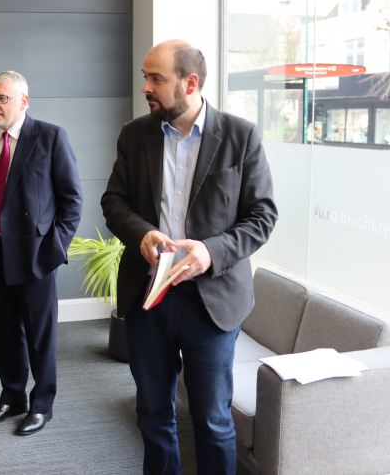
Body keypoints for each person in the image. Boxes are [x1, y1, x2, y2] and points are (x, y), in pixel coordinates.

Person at [101, 40, 278, 474]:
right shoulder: (135, 134)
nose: (146, 86)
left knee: (213, 422)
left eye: (156, 78)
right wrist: (141, 233)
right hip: (149, 298)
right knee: (153, 415)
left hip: (212, 304)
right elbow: (114, 202)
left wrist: (210, 251)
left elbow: (262, 216)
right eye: (146, 76)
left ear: (191, 83)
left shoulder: (241, 135)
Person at [0, 71, 83, 435]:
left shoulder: (50, 136)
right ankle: (12, 396)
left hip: (35, 256)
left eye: (2, 98)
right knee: (5, 332)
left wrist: (53, 251)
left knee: (39, 334)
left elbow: (72, 202)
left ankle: (42, 404)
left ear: (24, 101)